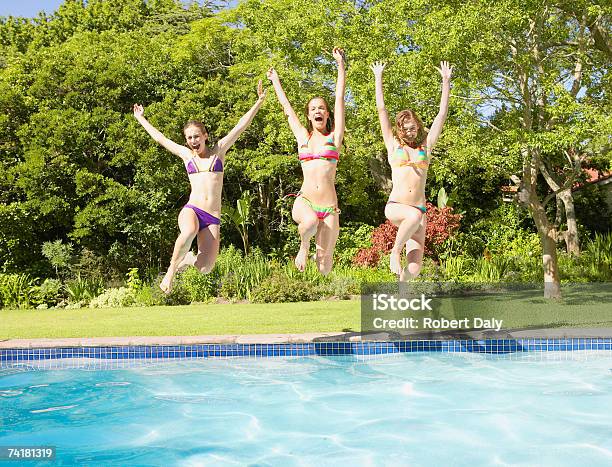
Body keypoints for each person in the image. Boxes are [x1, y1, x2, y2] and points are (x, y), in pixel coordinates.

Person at [133, 81, 266, 293]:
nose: (193, 140)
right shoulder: (187, 156)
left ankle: (188, 260)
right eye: (189, 138)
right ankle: (171, 271)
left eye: (196, 136)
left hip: (212, 217)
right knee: (189, 231)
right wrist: (141, 118)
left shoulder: (218, 152)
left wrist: (258, 102)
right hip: (192, 210)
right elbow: (161, 139)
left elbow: (240, 126)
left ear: (205, 136)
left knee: (205, 267)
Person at [267, 48, 346, 274]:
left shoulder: (334, 138)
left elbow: (339, 98)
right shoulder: (303, 137)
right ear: (309, 116)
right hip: (306, 202)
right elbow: (287, 110)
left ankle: (324, 301)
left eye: (321, 108)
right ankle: (303, 247)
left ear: (327, 114)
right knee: (309, 223)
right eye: (313, 109)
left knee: (325, 262)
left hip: (330, 207)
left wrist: (340, 65)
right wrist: (276, 81)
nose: (317, 111)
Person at [371, 60, 452, 281]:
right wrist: (378, 77)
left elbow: (441, 115)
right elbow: (381, 110)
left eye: (413, 127)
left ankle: (401, 292)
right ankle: (395, 252)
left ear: (417, 127)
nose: (409, 131)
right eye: (405, 129)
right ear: (400, 130)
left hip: (418, 212)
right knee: (413, 216)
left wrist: (446, 81)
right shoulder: (393, 145)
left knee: (414, 268)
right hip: (397, 207)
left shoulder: (426, 146)